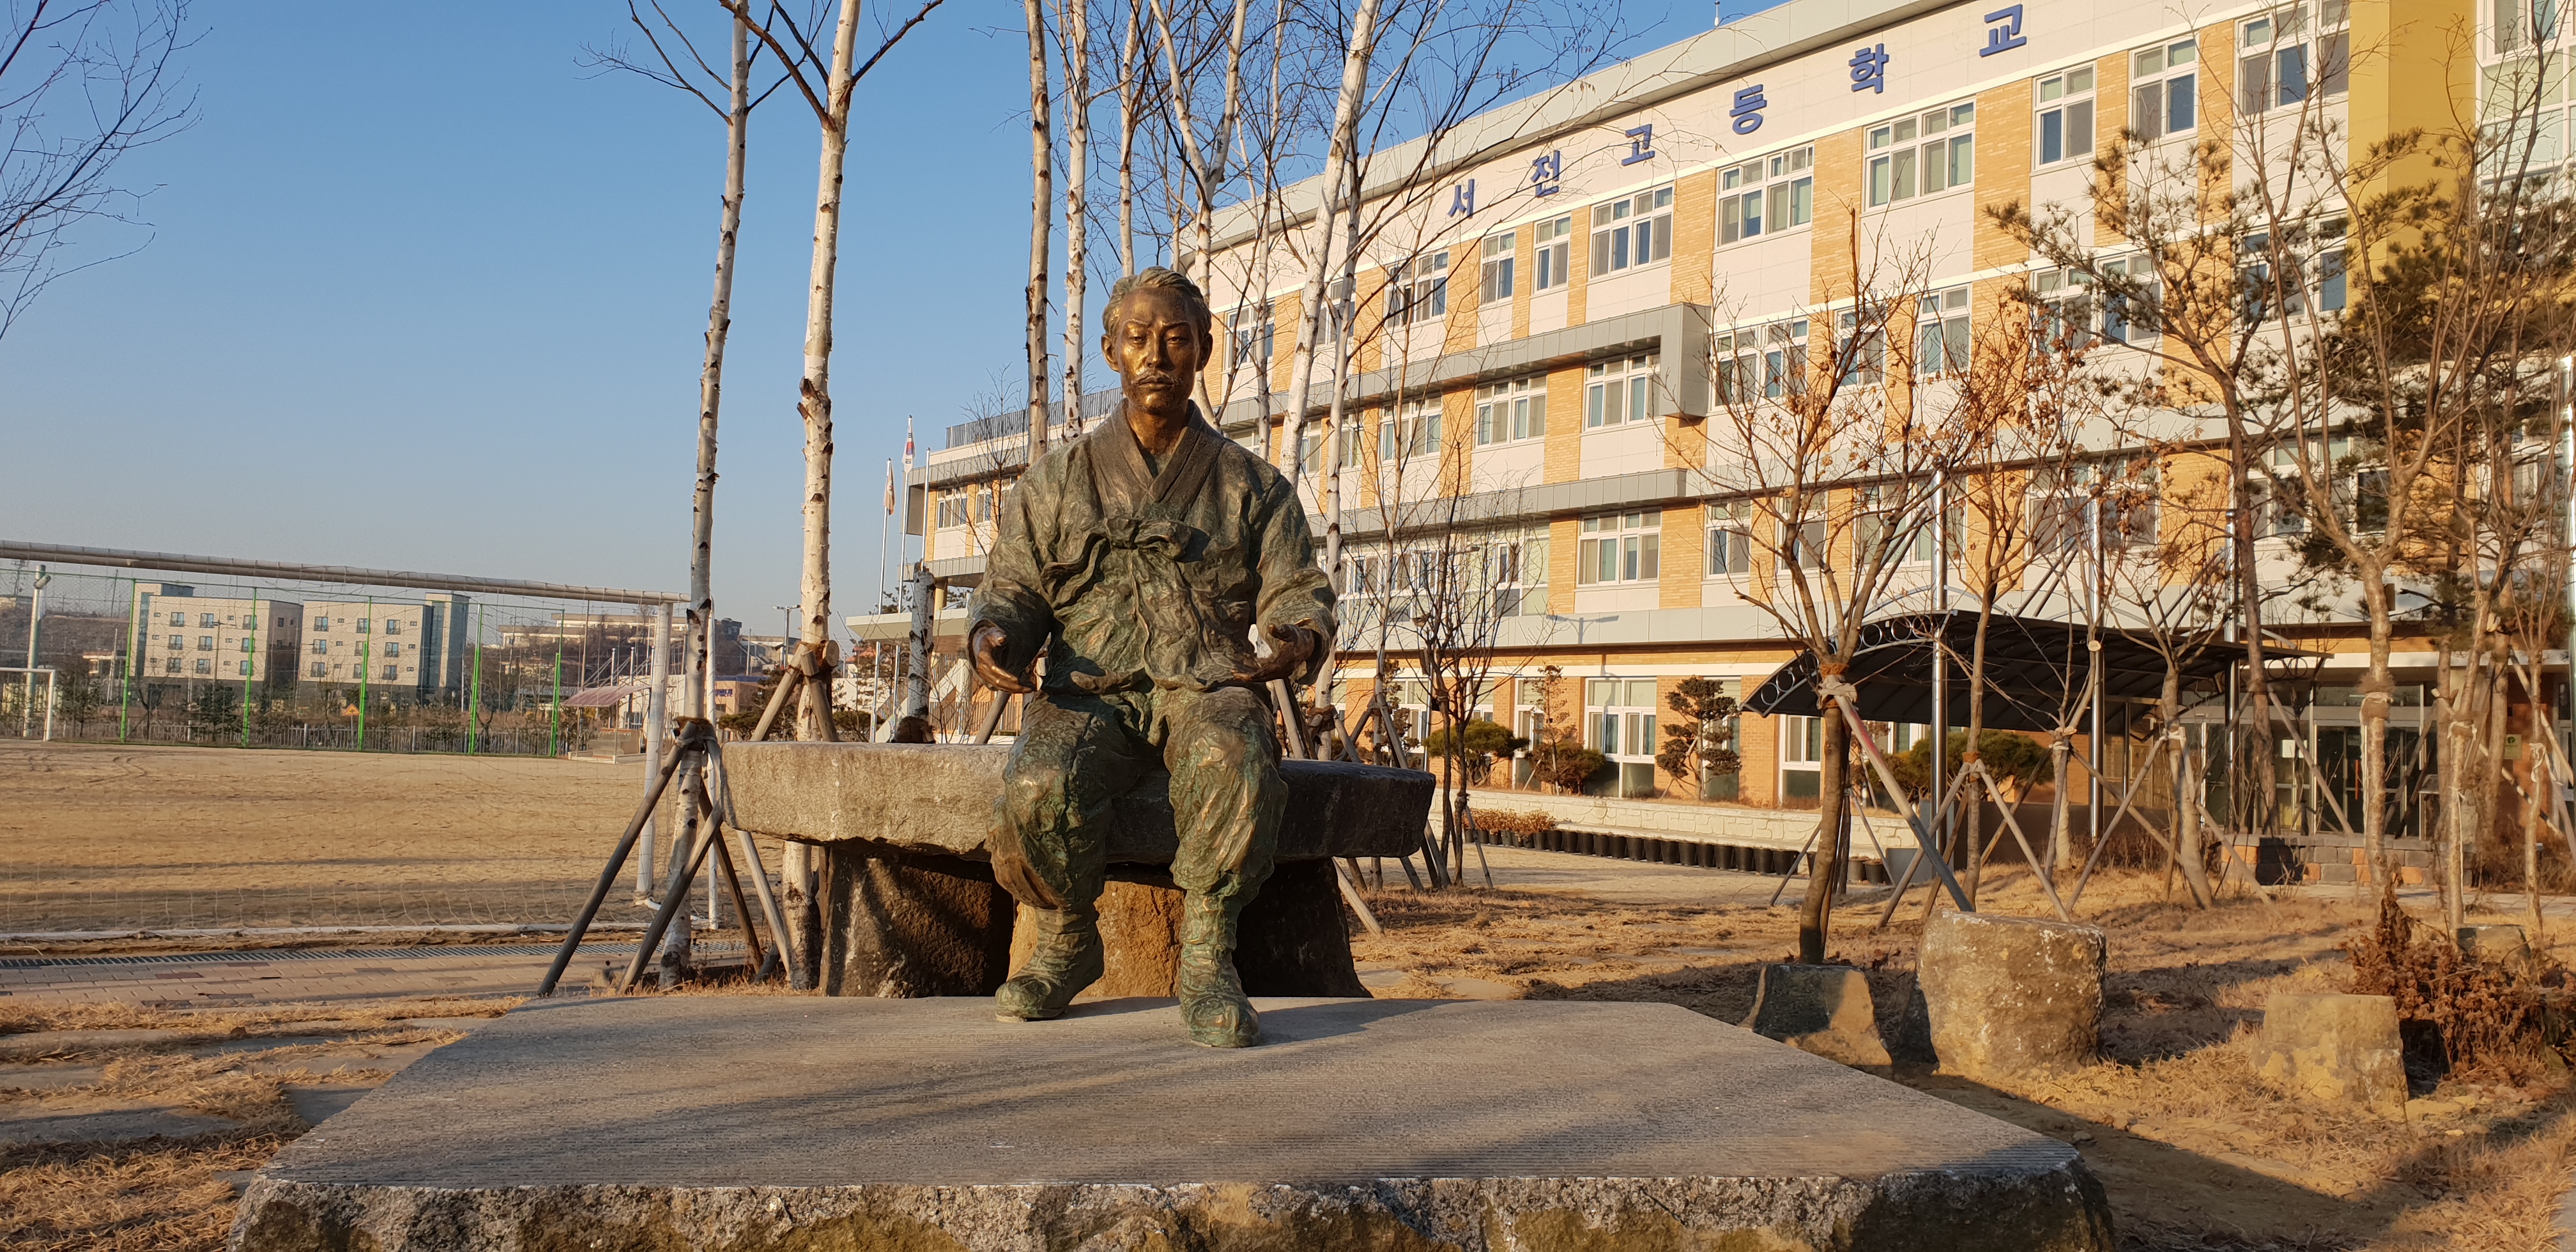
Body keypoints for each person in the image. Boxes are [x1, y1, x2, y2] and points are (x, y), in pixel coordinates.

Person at [969, 266, 1333, 1048]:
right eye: (1138, 339)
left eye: (1176, 339)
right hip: (1089, 685)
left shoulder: (1250, 483)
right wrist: (996, 634)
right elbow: (1014, 588)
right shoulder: (1056, 480)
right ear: (1110, 352)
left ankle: (1207, 954)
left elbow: (1295, 584)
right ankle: (1068, 937)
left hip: (1206, 679)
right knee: (1036, 782)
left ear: (1203, 350)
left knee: (1235, 757)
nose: (1156, 355)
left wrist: (1295, 633)